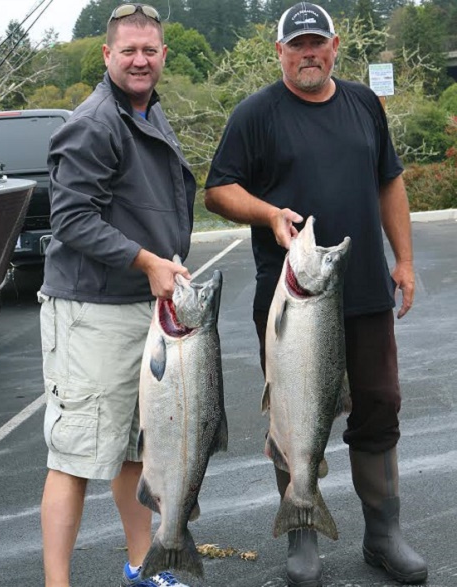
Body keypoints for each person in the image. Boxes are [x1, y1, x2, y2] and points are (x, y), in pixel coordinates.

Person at [205, 3, 428, 586]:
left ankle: (383, 535)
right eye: (296, 44)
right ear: (278, 51)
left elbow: (389, 180)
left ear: (334, 46)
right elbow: (219, 191)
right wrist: (268, 213)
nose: (308, 53)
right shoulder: (255, 115)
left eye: (317, 43)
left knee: (378, 408)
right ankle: (301, 536)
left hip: (364, 295)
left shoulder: (362, 104)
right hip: (290, 306)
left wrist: (402, 261)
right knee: (293, 415)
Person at [38, 4, 195, 587]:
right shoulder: (95, 122)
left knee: (134, 448)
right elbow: (72, 219)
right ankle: (58, 582)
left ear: (163, 55)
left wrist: (159, 266)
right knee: (74, 457)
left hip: (143, 308)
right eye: (127, 50)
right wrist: (149, 260)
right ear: (107, 55)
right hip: (91, 313)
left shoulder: (147, 112)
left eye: (149, 50)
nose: (139, 60)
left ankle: (143, 565)